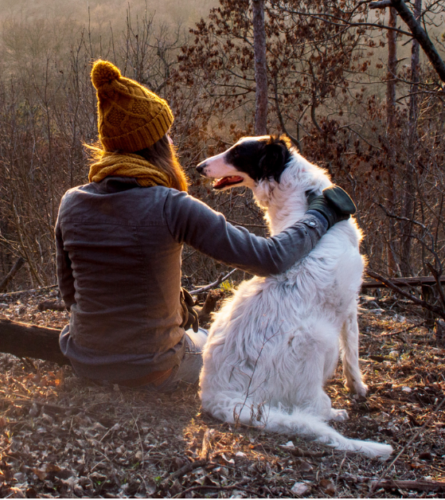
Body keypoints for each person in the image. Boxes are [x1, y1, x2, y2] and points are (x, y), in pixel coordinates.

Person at [55, 60, 356, 392]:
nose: (171, 142)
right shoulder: (171, 205)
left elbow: (71, 295)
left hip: (84, 361)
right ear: (155, 145)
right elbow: (271, 258)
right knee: (208, 341)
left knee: (193, 332)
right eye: (165, 135)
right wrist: (321, 214)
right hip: (152, 370)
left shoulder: (71, 202)